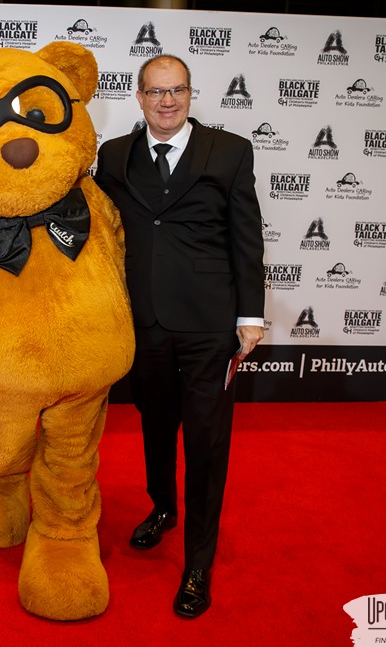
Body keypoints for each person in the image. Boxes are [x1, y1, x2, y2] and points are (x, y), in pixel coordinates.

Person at [94, 54, 264, 618]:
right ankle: (162, 508)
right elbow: (102, 231)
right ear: (139, 98)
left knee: (207, 444)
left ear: (191, 95)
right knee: (156, 425)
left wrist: (250, 315)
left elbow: (247, 239)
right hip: (142, 322)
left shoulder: (230, 150)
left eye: (177, 91)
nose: (167, 102)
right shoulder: (113, 156)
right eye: (156, 92)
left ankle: (197, 563)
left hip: (211, 325)